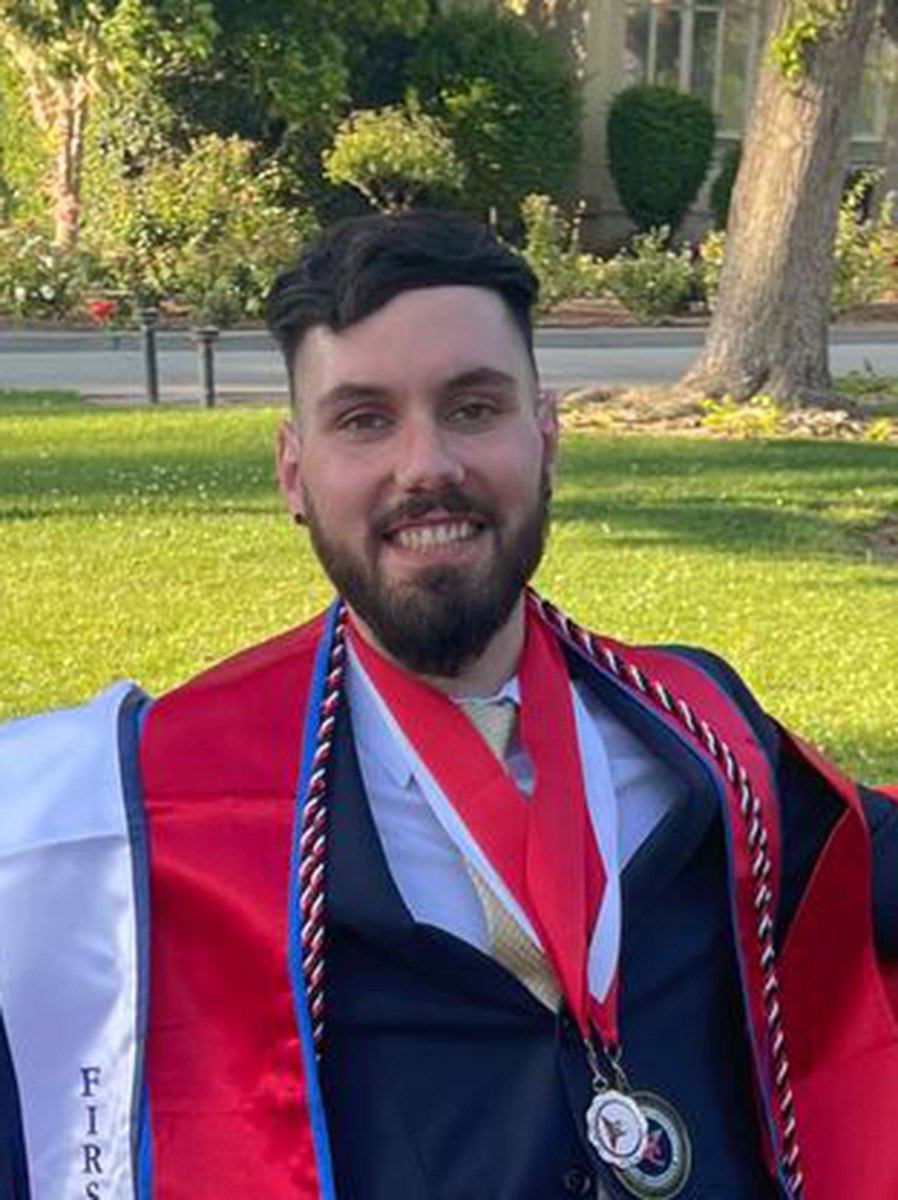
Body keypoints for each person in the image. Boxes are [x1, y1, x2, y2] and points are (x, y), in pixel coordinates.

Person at [1, 211, 897, 1200]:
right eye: (364, 419)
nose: (426, 465)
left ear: (545, 437)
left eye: (473, 408)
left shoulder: (700, 730)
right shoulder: (161, 819)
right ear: (294, 473)